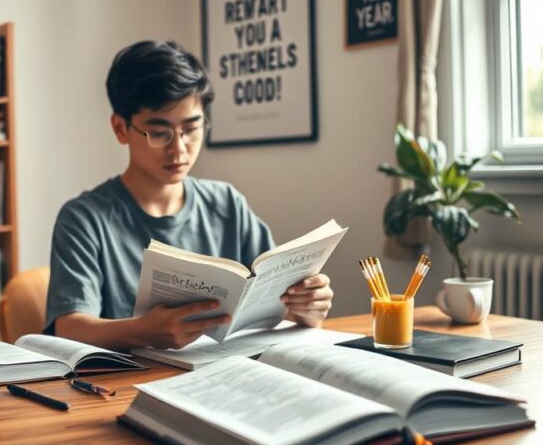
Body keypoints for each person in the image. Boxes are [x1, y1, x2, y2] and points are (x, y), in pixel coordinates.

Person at [46, 40, 333, 350]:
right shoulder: (84, 219)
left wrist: (306, 307)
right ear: (120, 128)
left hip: (229, 369)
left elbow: (273, 302)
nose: (179, 149)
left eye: (192, 129)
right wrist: (143, 331)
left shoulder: (227, 204)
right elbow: (69, 328)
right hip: (133, 377)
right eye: (159, 133)